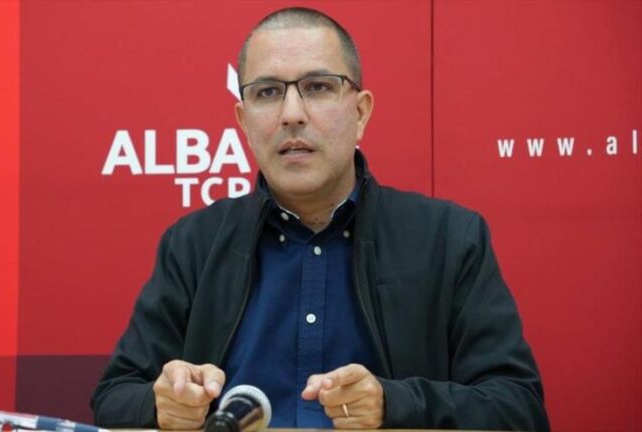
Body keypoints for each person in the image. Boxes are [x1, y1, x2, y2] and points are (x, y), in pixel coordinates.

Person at [91, 7, 550, 431]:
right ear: (243, 121)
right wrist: (163, 404)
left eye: (318, 87)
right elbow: (113, 397)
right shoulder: (193, 243)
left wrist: (394, 404)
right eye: (267, 92)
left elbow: (518, 407)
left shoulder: (449, 239)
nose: (292, 115)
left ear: (361, 112)